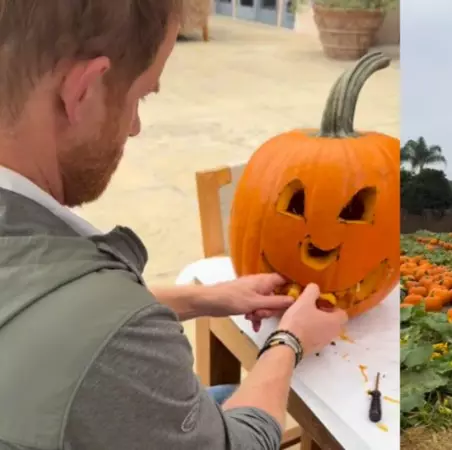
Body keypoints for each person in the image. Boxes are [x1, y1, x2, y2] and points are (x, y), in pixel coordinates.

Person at [0, 2, 347, 449]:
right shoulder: (118, 336)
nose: (134, 127)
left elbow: (43, 308)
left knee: (223, 393)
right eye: (140, 96)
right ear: (83, 91)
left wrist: (206, 298)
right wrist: (289, 342)